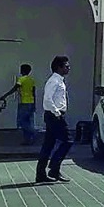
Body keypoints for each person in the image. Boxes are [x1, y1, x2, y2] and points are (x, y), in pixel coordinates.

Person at [36, 55, 72, 183]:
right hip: (54, 115)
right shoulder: (54, 81)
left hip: (53, 114)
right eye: (66, 66)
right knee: (68, 140)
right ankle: (54, 168)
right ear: (59, 67)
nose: (68, 68)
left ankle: (41, 173)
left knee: (48, 145)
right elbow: (47, 99)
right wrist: (57, 113)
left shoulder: (60, 80)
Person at [0, 64, 37, 145]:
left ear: (23, 70)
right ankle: (27, 140)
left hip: (24, 103)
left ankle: (33, 132)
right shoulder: (31, 80)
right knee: (28, 121)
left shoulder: (21, 79)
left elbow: (14, 89)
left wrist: (4, 96)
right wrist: (34, 104)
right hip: (31, 102)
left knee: (21, 122)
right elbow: (33, 93)